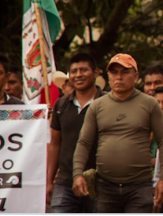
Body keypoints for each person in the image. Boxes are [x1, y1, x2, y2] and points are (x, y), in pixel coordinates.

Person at [72, 53, 163, 213]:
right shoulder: (97, 106)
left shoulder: (150, 104)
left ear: (136, 76)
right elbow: (84, 143)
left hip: (140, 186)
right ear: (108, 76)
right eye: (114, 72)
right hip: (105, 186)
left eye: (125, 72)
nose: (119, 77)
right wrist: (77, 174)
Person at [46, 53, 106, 213]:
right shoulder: (61, 104)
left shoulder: (109, 103)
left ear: (96, 73)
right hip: (65, 182)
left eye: (84, 70)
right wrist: (49, 181)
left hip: (102, 184)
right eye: (74, 71)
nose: (78, 75)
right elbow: (55, 144)